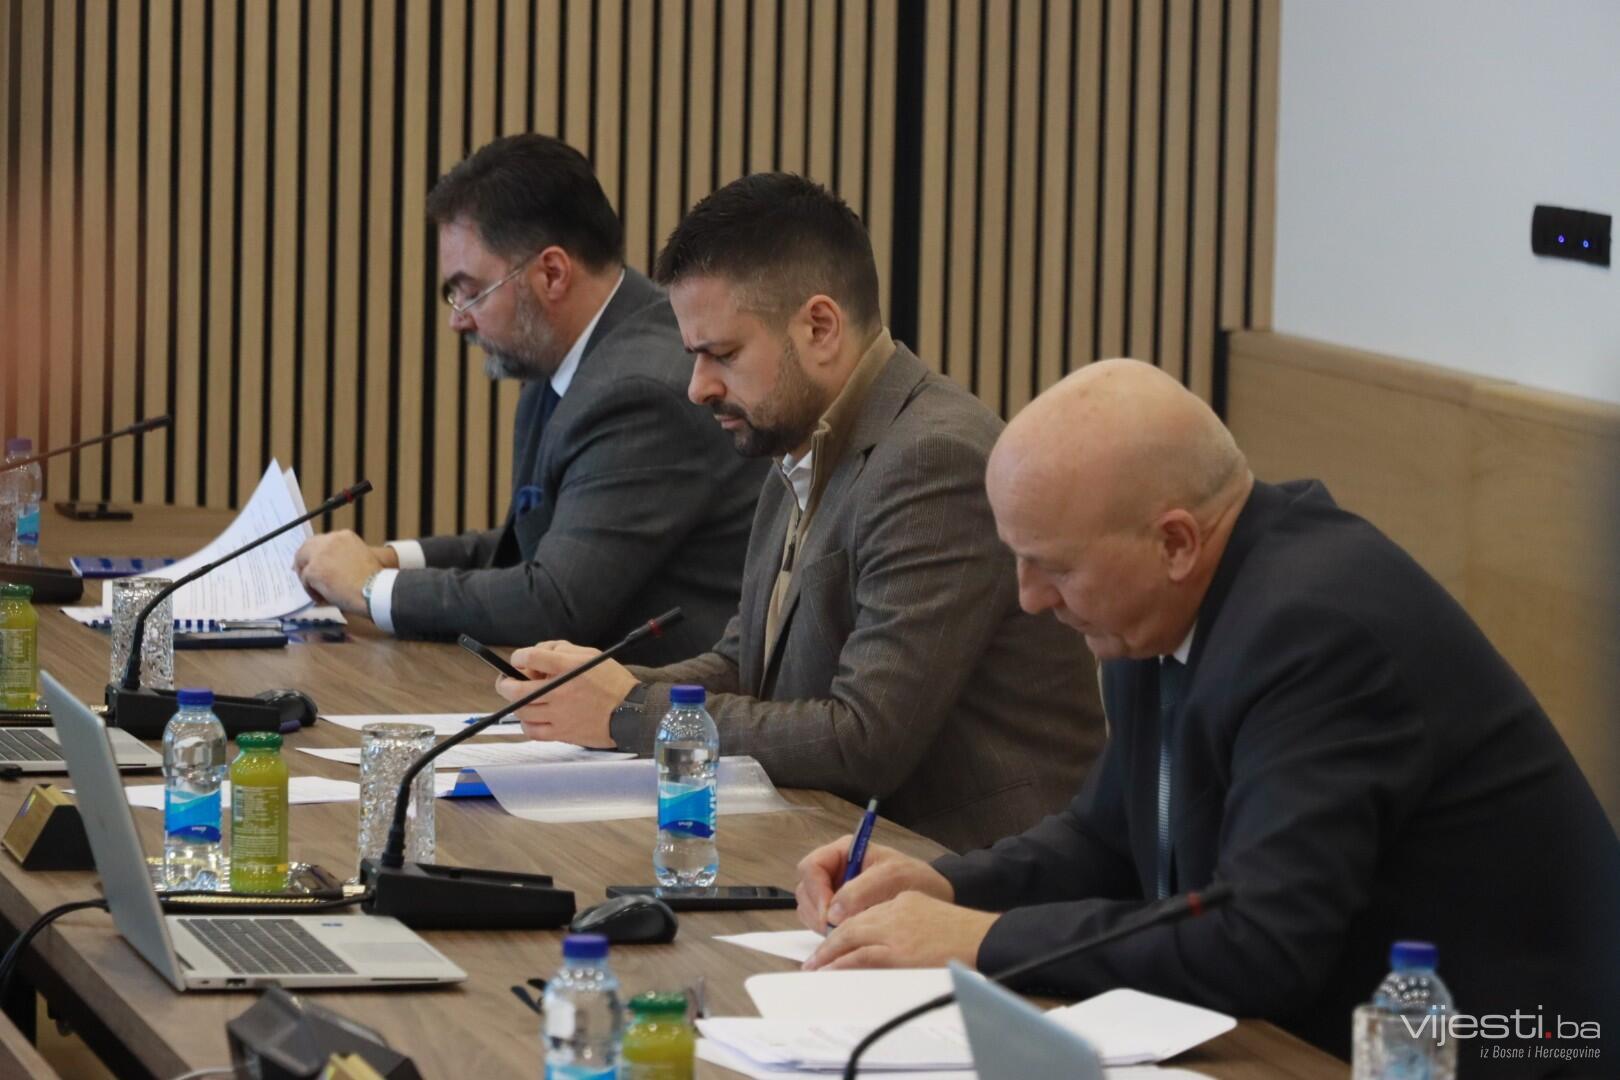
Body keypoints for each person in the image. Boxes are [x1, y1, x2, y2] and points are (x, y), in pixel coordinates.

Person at [791, 358, 1620, 1067]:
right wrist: (945, 884)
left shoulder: (1315, 632)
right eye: (1018, 559)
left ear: (1176, 542)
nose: (1030, 598)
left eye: (1054, 567)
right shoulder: (1160, 608)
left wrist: (979, 940)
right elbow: (1106, 841)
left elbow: (1262, 942)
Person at [492, 174, 1104, 852]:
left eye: (722, 354)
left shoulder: (934, 459)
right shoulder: (801, 437)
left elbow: (863, 740)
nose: (697, 388)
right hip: (841, 848)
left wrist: (630, 711)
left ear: (819, 327)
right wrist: (599, 685)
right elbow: (746, 664)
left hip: (965, 870)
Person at [293, 135, 764, 663]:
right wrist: (391, 560)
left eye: (471, 291)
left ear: (552, 273)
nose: (457, 320)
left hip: (673, 701)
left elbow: (555, 601)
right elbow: (527, 544)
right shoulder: (566, 358)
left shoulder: (639, 390)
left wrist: (369, 589)